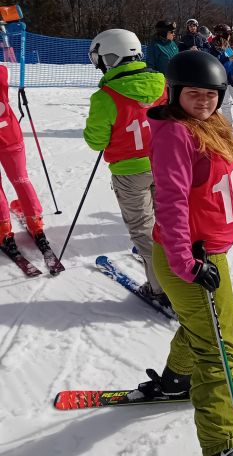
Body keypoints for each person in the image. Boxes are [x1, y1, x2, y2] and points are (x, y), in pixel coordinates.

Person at [143, 49, 233, 456]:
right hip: (190, 255)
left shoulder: (209, 125)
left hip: (205, 250)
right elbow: (170, 201)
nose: (204, 101)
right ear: (175, 93)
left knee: (203, 329)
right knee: (221, 352)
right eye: (194, 93)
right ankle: (222, 443)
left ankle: (176, 379)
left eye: (211, 94)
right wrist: (186, 263)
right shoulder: (177, 133)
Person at [84, 29, 168, 304]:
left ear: (109, 58)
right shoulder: (162, 84)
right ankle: (173, 271)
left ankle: (160, 289)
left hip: (130, 173)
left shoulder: (105, 97)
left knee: (143, 229)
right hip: (164, 165)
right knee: (167, 222)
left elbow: (96, 141)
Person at [0, 64, 48, 259]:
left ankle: (3, 229)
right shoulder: (1, 71)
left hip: (9, 136)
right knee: (21, 179)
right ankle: (35, 223)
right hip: (9, 133)